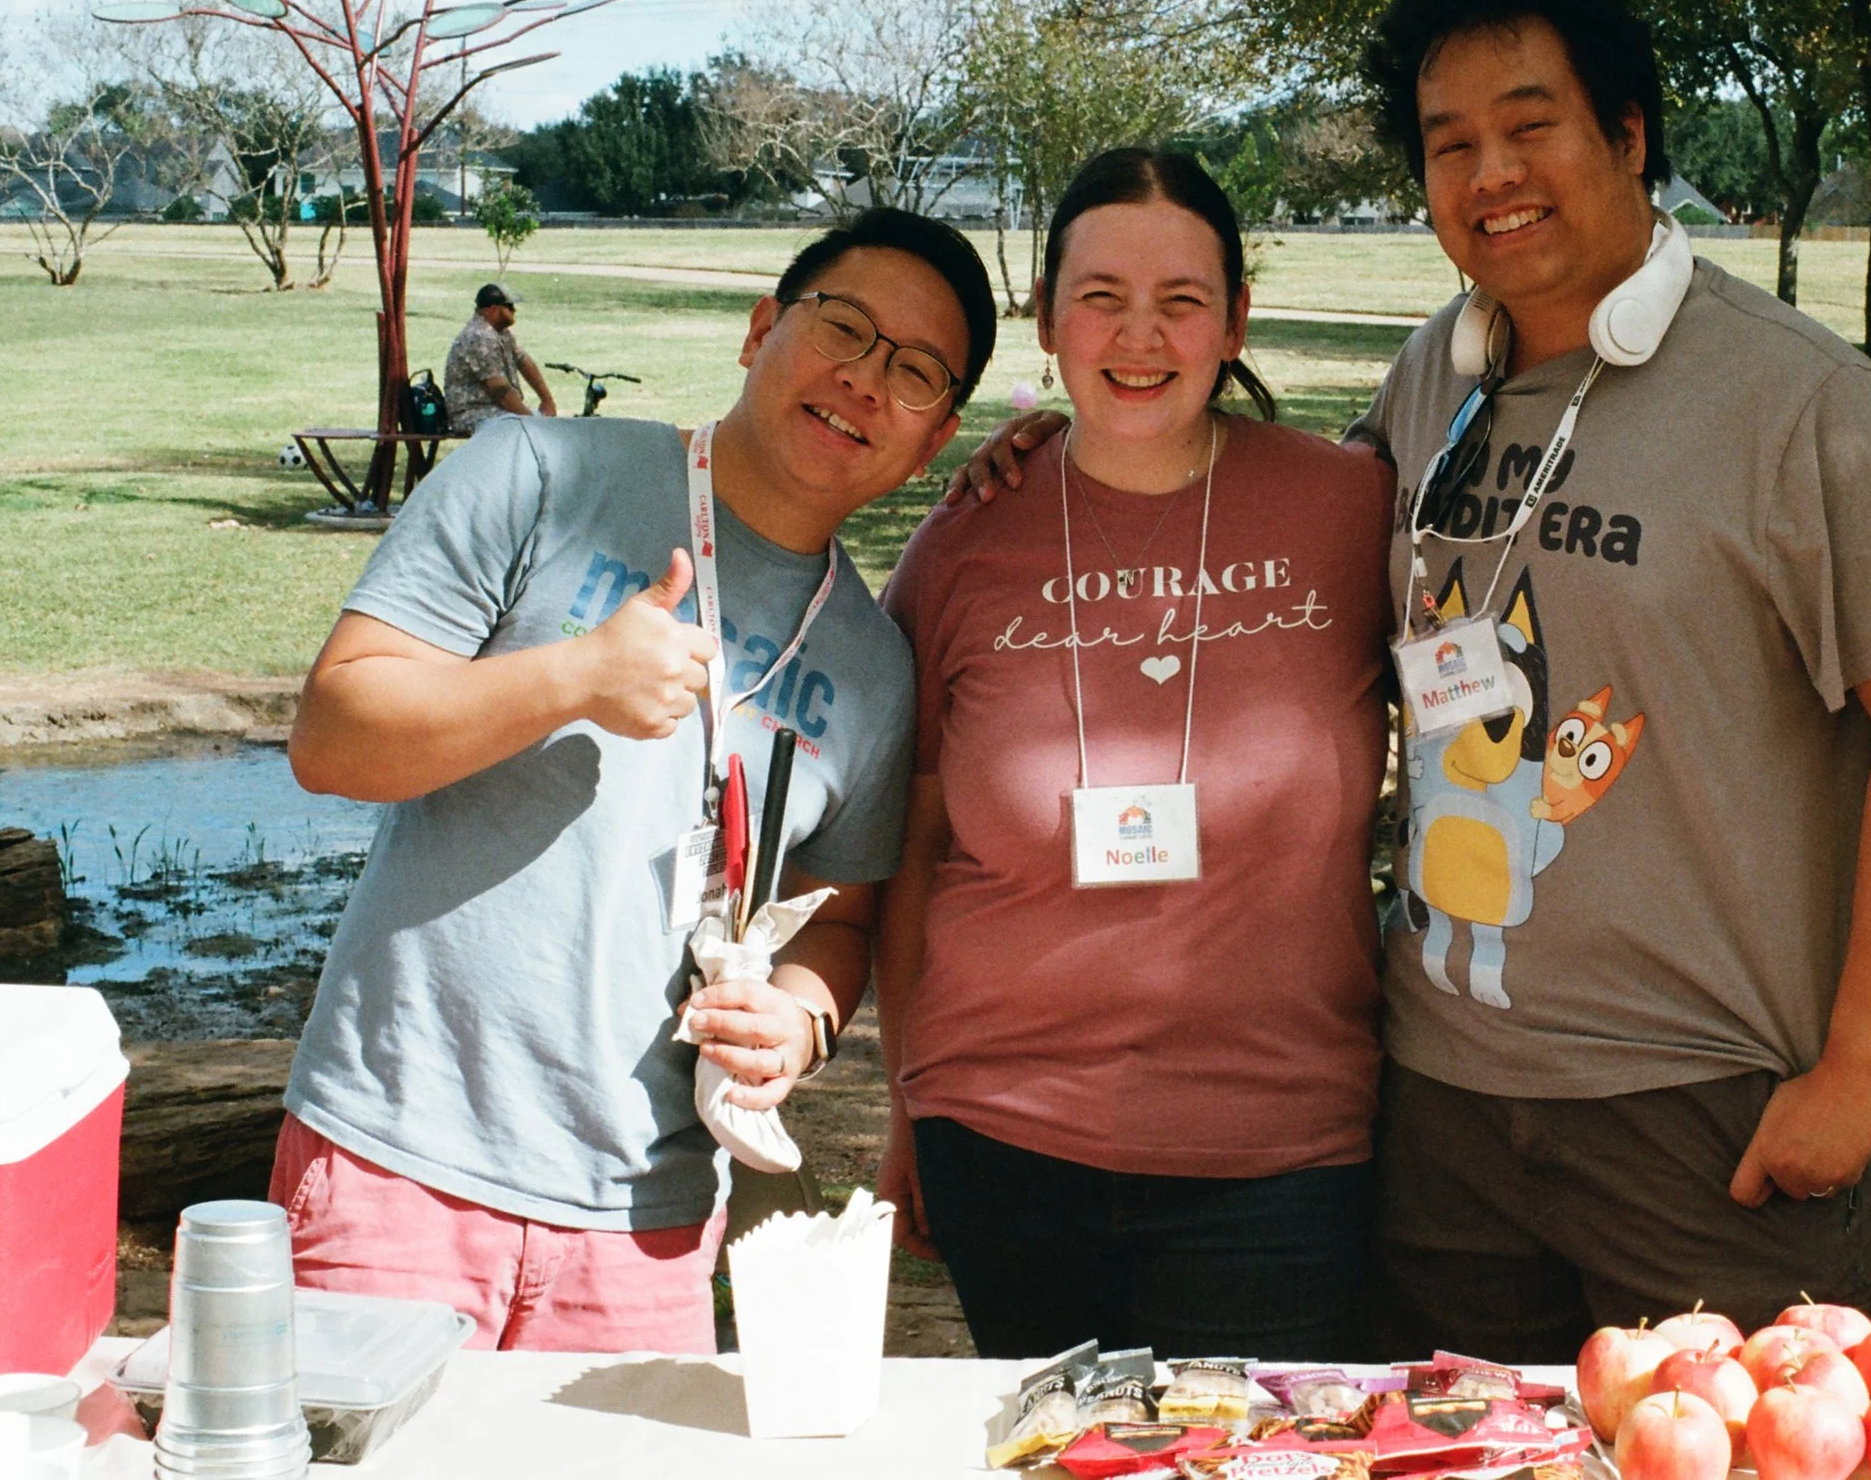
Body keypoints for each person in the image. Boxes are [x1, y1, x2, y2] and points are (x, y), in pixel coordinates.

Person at [948, 0, 1871, 1351]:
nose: (1491, 173)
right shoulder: (1434, 371)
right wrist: (1055, 462)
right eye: (1450, 144)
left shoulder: (1802, 401)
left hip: (1701, 1103)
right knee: (1450, 1444)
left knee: (1724, 1443)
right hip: (1437, 1102)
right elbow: (1254, 501)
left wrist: (1858, 1069)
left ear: (1628, 135)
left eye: (1529, 125)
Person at [274, 209, 992, 1351]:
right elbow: (332, 734)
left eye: (913, 371)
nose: (864, 379)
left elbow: (842, 918)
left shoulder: (872, 662)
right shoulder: (540, 471)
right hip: (396, 1164)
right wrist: (572, 678)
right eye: (843, 327)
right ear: (760, 329)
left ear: (934, 438)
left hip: (647, 1221)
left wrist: (798, 1020)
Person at [874, 149, 1394, 1359]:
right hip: (998, 1135)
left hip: (1279, 1156)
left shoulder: (1351, 510)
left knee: (1242, 1447)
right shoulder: (965, 540)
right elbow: (913, 850)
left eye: (1182, 299)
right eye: (1100, 296)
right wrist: (906, 1101)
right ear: (1046, 315)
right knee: (1051, 1445)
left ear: (1235, 321)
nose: (1139, 335)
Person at [443, 281, 558, 433]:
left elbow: (524, 362)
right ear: (493, 309)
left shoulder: (501, 333)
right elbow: (500, 392)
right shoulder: (479, 337)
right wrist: (530, 421)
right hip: (473, 412)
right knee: (527, 429)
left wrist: (547, 400)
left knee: (545, 424)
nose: (514, 310)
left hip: (496, 409)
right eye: (509, 306)